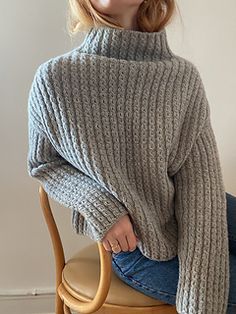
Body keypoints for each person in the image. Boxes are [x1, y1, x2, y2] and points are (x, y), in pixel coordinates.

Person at [27, 0, 235, 313]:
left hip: (190, 214)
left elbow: (200, 192)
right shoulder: (55, 78)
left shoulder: (182, 79)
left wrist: (201, 300)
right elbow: (44, 163)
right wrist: (100, 206)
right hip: (136, 249)